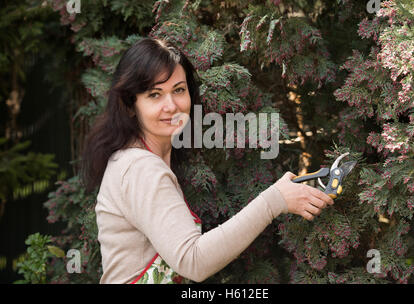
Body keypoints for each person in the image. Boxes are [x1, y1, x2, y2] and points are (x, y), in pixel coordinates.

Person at [81, 37, 334, 284]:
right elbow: (194, 261)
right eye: (155, 95)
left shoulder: (136, 158)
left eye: (178, 90)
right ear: (130, 104)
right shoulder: (141, 168)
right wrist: (274, 200)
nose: (171, 106)